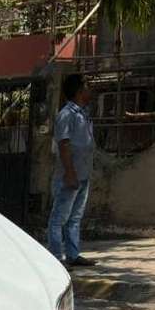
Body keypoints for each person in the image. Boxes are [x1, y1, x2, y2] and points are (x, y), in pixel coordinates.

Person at [49, 73, 97, 269]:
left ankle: (73, 253)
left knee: (75, 216)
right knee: (58, 218)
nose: (89, 90)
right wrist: (70, 172)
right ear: (79, 90)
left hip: (82, 174)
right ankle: (56, 257)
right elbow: (64, 144)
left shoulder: (83, 114)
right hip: (69, 175)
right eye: (86, 86)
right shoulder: (66, 115)